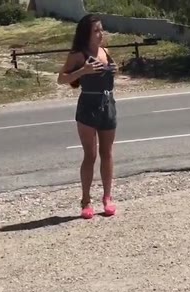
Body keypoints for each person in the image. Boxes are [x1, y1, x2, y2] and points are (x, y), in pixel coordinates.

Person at [57, 14, 118, 219]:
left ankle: (107, 197)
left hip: (107, 104)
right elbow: (61, 79)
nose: (101, 34)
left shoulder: (105, 51)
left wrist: (114, 69)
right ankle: (86, 200)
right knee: (90, 155)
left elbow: (108, 75)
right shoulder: (78, 54)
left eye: (101, 29)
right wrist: (84, 70)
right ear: (86, 33)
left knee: (107, 153)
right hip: (88, 106)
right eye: (96, 31)